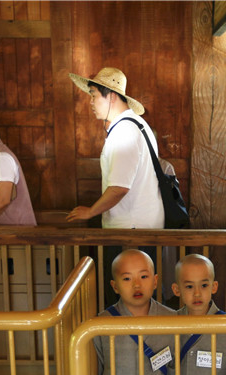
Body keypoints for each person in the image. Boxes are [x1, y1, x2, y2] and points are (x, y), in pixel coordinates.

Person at [66, 67, 163, 305]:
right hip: (138, 229)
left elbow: (119, 187)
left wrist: (90, 212)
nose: (90, 102)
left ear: (110, 95)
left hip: (129, 231)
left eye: (93, 95)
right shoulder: (137, 125)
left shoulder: (124, 132)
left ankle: (126, 343)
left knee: (127, 301)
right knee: (138, 300)